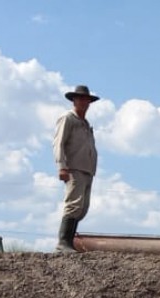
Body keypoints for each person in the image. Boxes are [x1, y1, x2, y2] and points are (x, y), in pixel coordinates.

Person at [53, 85, 100, 253]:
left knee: (82, 207)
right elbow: (59, 143)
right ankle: (63, 242)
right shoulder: (68, 118)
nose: (83, 102)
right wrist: (62, 167)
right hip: (74, 168)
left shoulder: (85, 123)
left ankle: (69, 242)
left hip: (87, 169)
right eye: (80, 99)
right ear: (74, 100)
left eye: (86, 99)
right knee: (73, 204)